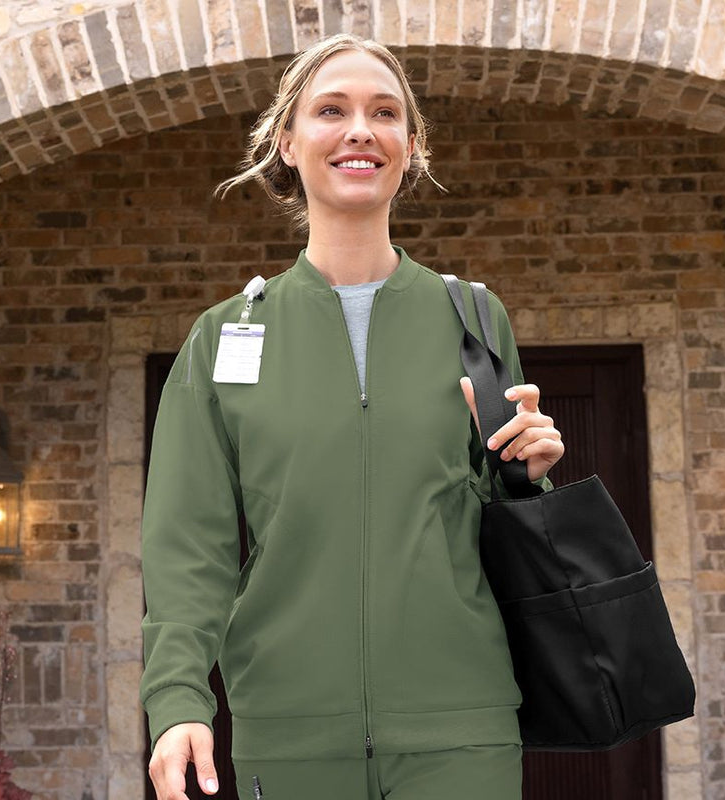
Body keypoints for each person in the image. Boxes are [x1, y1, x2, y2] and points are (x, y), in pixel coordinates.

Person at [140, 32, 565, 800]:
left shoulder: (473, 317)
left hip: (460, 729)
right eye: (331, 110)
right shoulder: (223, 340)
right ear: (287, 143)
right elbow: (186, 545)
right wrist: (176, 702)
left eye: (385, 112)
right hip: (289, 730)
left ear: (411, 145)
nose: (361, 129)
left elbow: (499, 530)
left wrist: (524, 476)